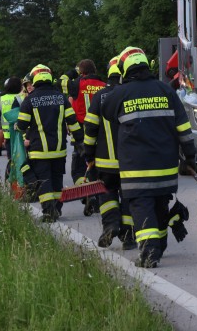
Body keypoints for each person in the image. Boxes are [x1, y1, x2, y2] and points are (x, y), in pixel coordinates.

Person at [101, 46, 195, 268]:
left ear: (124, 69)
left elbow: (106, 111)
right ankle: (160, 245)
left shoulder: (121, 94)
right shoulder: (165, 90)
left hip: (136, 167)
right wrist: (190, 157)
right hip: (166, 166)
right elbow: (183, 127)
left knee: (141, 206)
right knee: (160, 204)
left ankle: (150, 250)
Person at [16, 64, 84, 222]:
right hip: (59, 149)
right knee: (56, 180)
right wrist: (80, 140)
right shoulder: (61, 97)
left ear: (35, 79)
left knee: (44, 181)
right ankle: (57, 209)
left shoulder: (30, 100)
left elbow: (21, 125)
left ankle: (48, 212)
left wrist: (16, 126)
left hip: (39, 150)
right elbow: (73, 122)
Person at [83, 56, 136, 250]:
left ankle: (111, 225)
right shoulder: (131, 94)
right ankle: (129, 237)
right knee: (129, 196)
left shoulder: (99, 96)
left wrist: (88, 156)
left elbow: (90, 129)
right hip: (129, 161)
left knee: (107, 195)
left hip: (105, 161)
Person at [68, 59, 106, 213]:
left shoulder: (77, 85)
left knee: (78, 170)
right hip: (100, 133)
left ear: (80, 72)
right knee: (96, 167)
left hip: (81, 132)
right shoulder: (103, 86)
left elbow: (62, 82)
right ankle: (97, 197)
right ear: (95, 70)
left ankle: (88, 192)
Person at [0, 77, 23, 159]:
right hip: (20, 133)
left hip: (7, 134)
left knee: (11, 159)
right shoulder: (21, 97)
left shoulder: (1, 99)